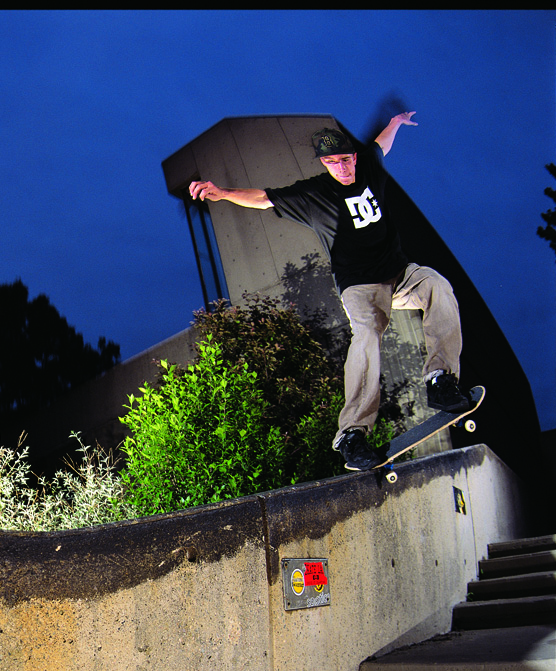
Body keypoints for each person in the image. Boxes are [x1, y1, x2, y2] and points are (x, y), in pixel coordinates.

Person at [189, 112, 472, 471]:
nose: (341, 168)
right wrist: (223, 193)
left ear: (354, 156)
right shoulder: (314, 193)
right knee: (367, 334)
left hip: (399, 273)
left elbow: (381, 143)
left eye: (345, 160)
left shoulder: (368, 164)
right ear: (324, 164)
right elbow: (263, 198)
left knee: (437, 285)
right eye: (332, 163)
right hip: (358, 286)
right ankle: (352, 433)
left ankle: (440, 380)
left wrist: (397, 122)